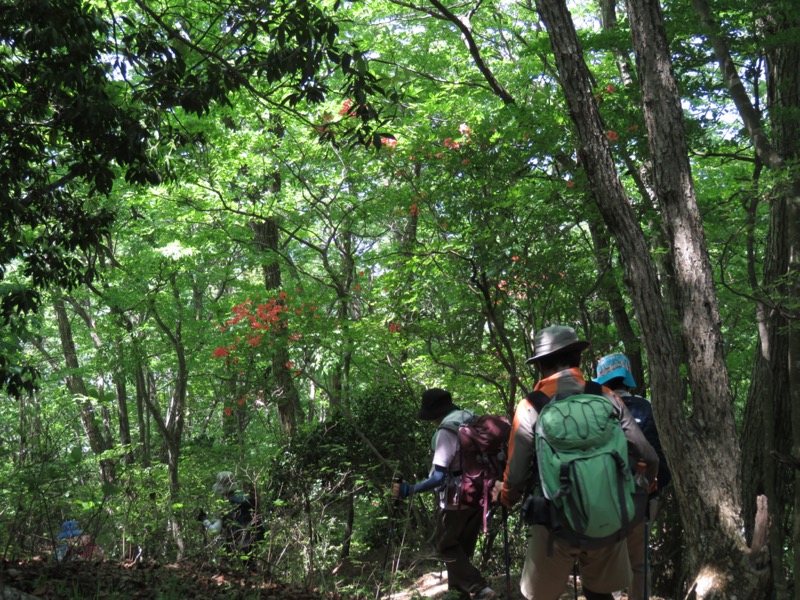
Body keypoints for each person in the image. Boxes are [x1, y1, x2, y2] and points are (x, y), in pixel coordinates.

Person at [496, 325, 658, 600]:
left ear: (540, 367)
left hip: (553, 520)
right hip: (608, 515)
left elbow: (518, 473)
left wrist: (506, 496)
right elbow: (648, 455)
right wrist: (644, 484)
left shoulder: (531, 406)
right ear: (579, 361)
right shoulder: (607, 395)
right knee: (600, 593)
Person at [392, 388, 496, 600]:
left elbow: (438, 477)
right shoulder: (469, 417)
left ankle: (480, 588)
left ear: (434, 414)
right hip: (480, 494)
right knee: (462, 551)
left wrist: (410, 490)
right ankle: (458, 595)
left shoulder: (446, 431)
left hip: (456, 499)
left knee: (445, 546)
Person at [594, 353, 672, 600]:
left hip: (605, 497)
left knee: (609, 559)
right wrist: (655, 489)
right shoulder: (646, 407)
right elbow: (659, 455)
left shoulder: (593, 408)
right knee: (639, 561)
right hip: (641, 495)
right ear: (627, 378)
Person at [203, 471, 264, 555]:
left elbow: (215, 530)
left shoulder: (225, 505)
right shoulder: (247, 498)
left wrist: (204, 520)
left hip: (238, 545)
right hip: (257, 540)